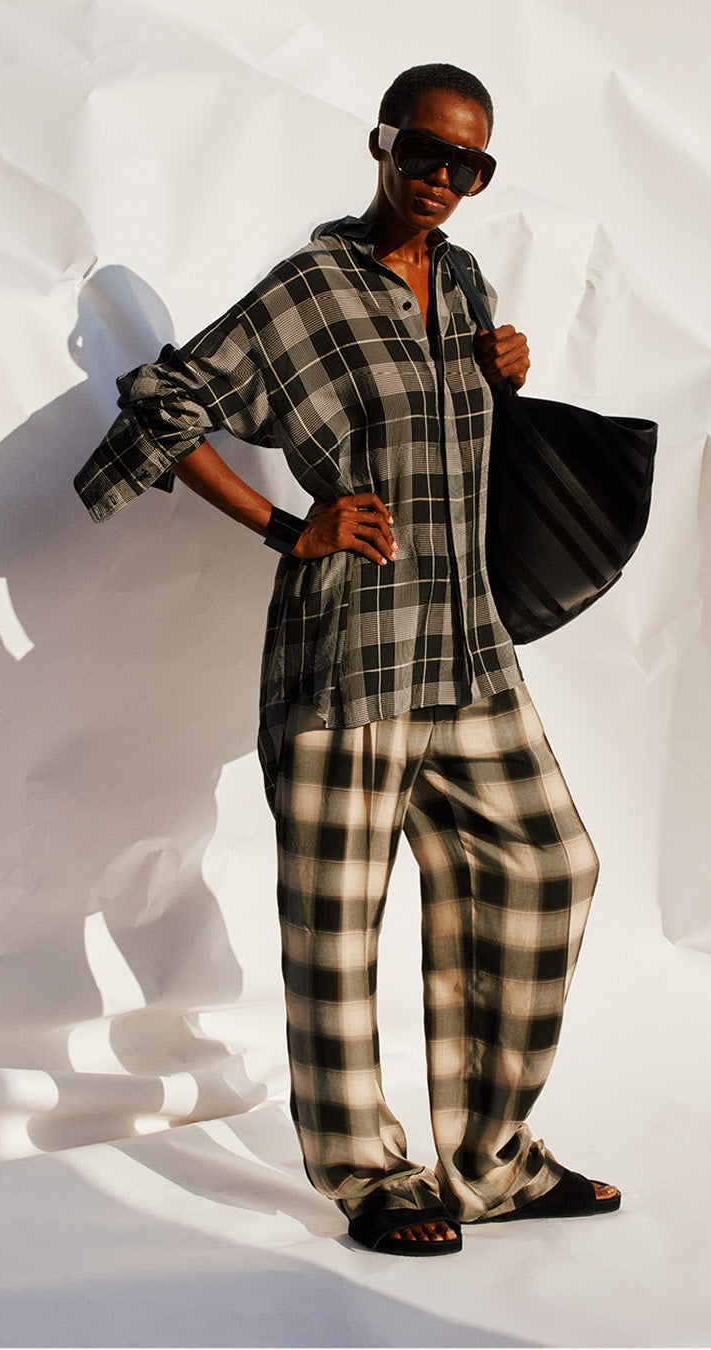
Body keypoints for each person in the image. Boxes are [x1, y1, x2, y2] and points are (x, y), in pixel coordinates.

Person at [75, 63, 619, 1256]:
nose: (441, 178)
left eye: (468, 164)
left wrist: (496, 374)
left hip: (466, 644)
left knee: (550, 866)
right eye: (423, 151)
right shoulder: (307, 290)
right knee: (337, 927)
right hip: (348, 654)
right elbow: (160, 408)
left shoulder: (463, 282)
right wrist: (289, 526)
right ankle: (368, 1174)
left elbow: (450, 437)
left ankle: (490, 1162)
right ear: (382, 144)